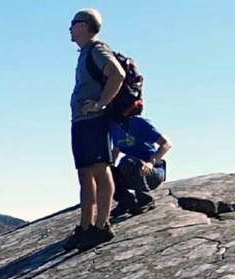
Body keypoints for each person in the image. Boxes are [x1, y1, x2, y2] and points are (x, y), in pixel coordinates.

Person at [65, 8, 126, 251]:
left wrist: (101, 103)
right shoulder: (84, 53)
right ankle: (85, 226)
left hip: (94, 120)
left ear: (85, 25)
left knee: (100, 170)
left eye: (73, 23)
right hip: (81, 121)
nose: (69, 27)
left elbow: (117, 74)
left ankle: (102, 226)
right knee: (84, 174)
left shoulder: (97, 49)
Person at [110, 115, 173, 217]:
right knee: (105, 172)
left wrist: (150, 163)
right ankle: (126, 201)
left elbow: (166, 144)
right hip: (130, 169)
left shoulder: (138, 122)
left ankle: (144, 199)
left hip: (151, 172)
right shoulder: (115, 126)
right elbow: (116, 150)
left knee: (129, 163)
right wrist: (110, 172)